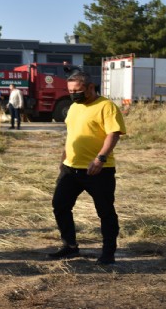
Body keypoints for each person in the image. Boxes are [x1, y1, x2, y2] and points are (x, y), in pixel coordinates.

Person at [47, 71, 126, 265]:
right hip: (70, 168)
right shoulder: (74, 107)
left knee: (105, 211)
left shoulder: (106, 106)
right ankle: (70, 246)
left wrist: (100, 158)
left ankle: (108, 253)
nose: (73, 94)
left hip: (98, 170)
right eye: (70, 91)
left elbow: (113, 134)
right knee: (60, 205)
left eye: (77, 90)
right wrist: (63, 159)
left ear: (91, 87)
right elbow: (72, 135)